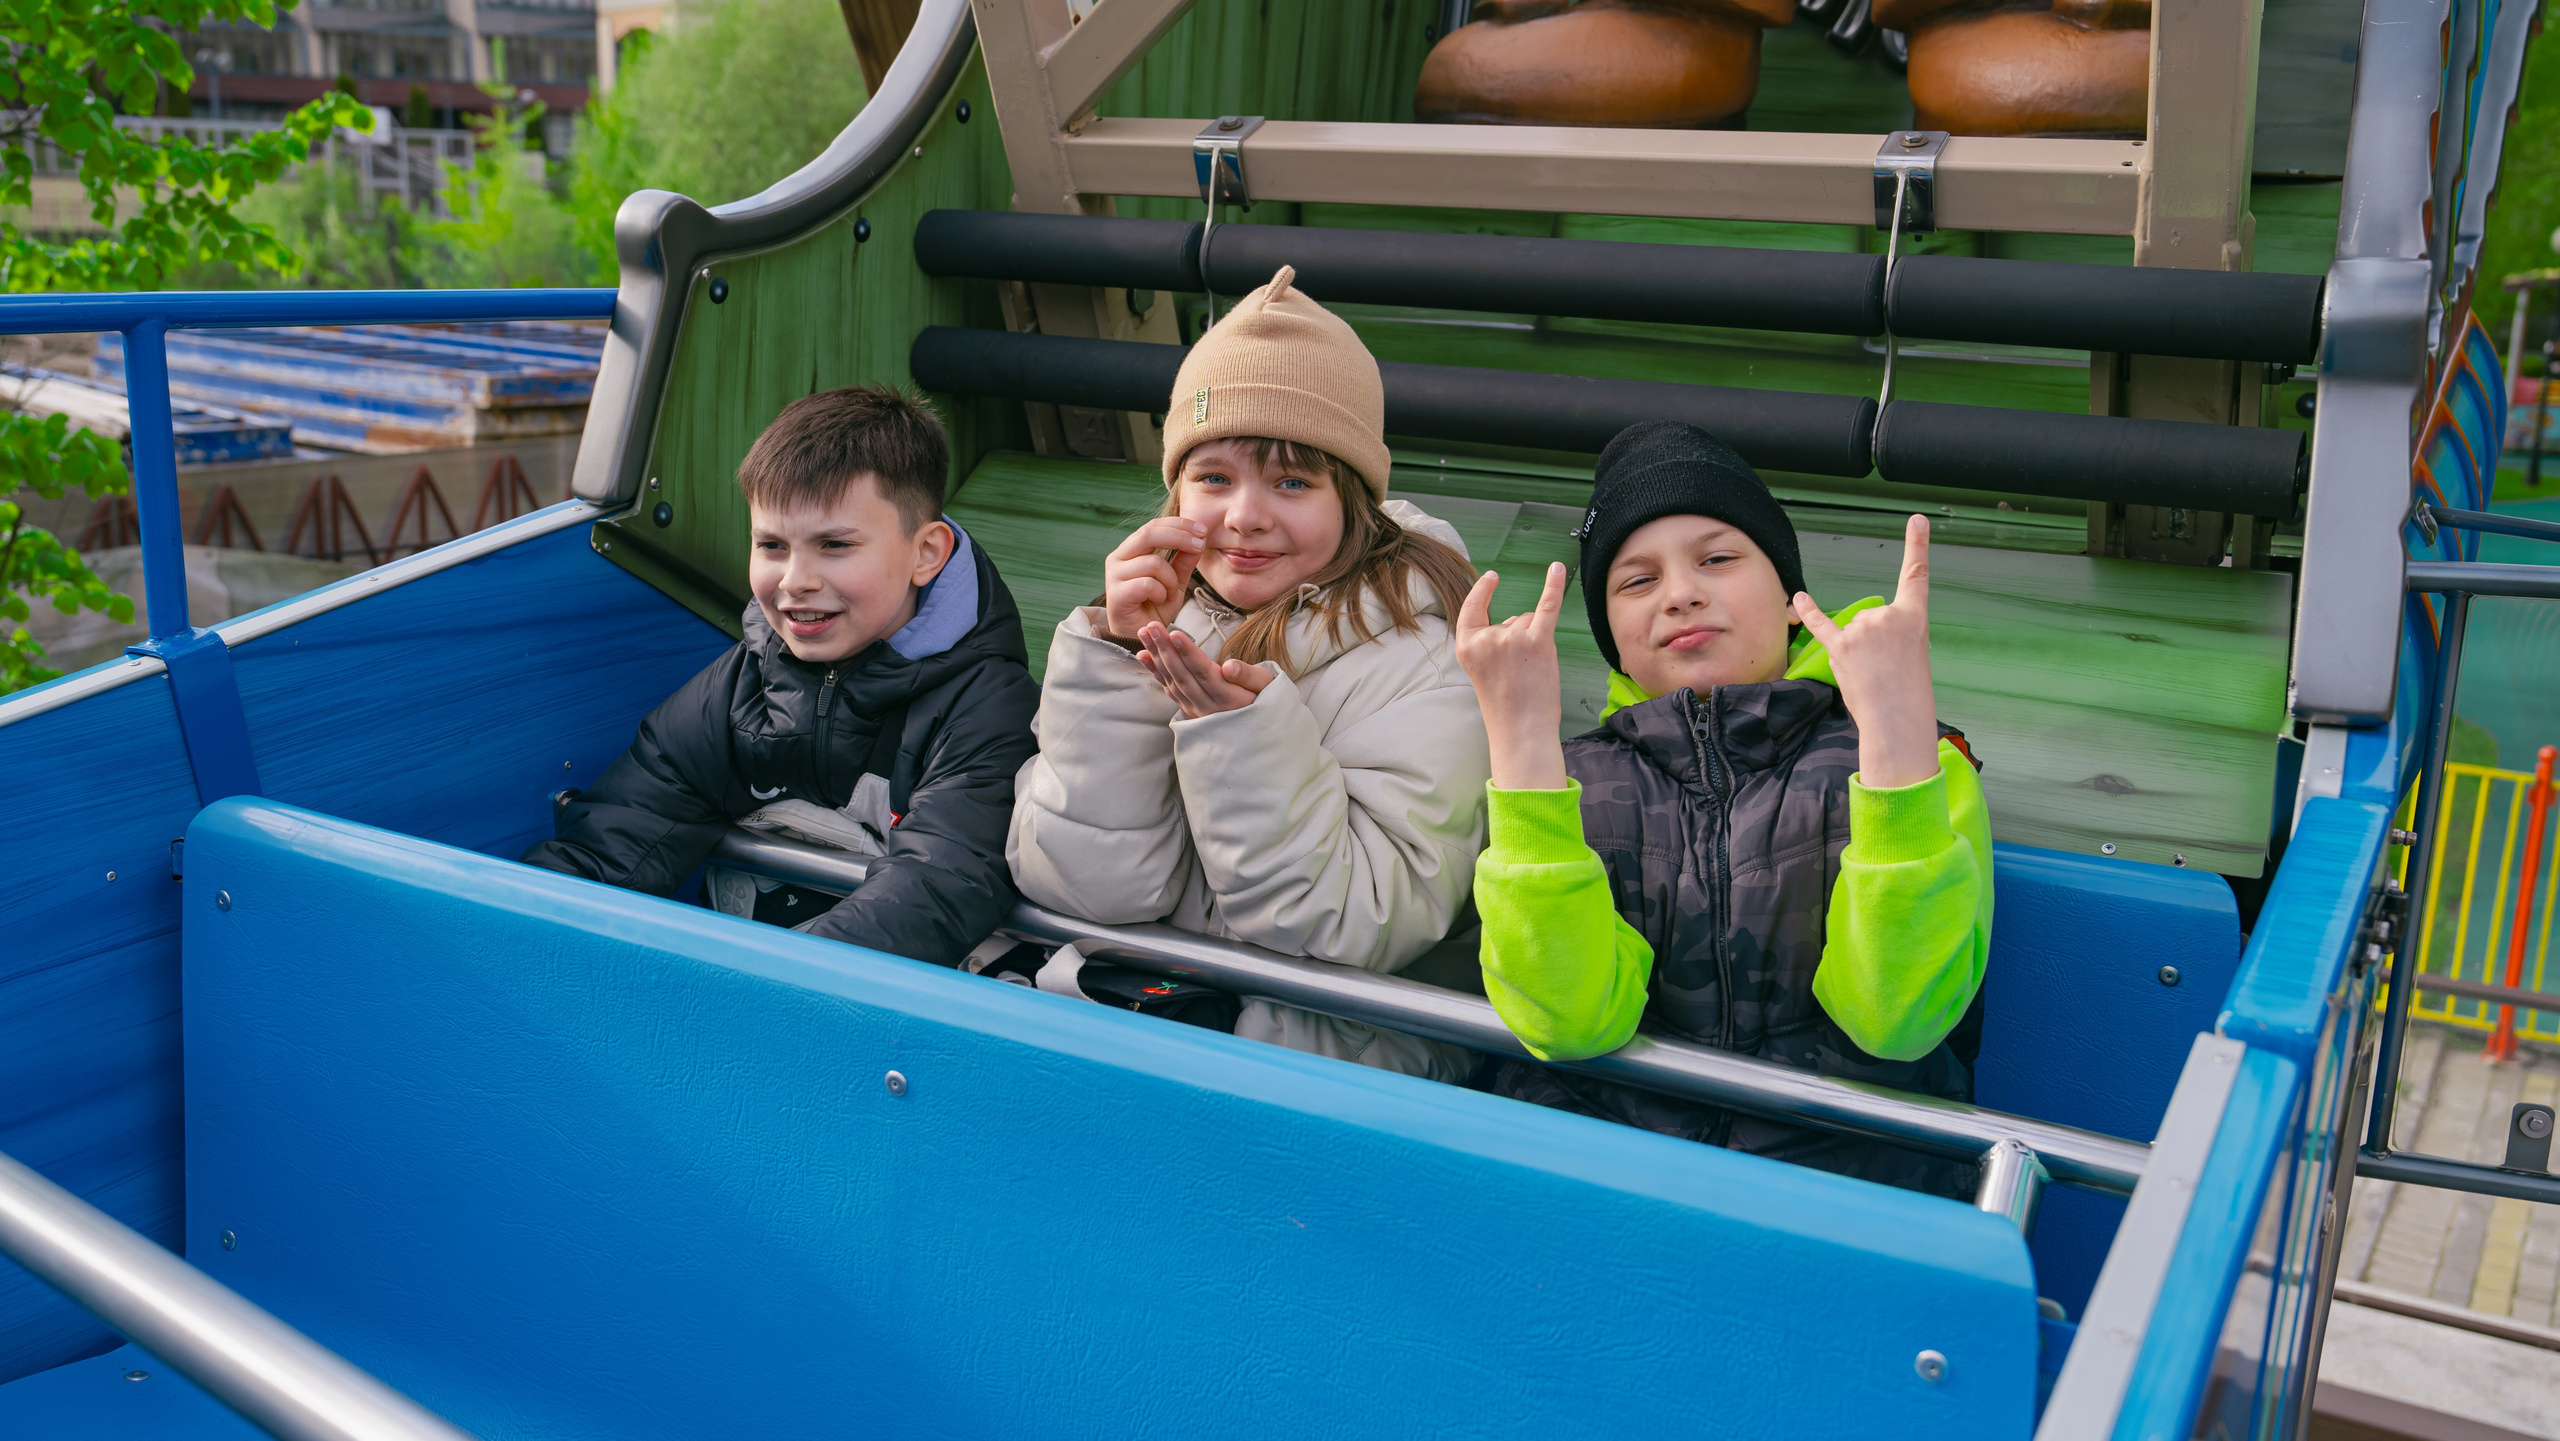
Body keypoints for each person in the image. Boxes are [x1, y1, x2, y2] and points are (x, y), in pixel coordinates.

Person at [1454, 421, 1991, 1194]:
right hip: (1608, 1192)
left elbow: (1896, 1020)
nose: (1680, 593)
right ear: (1612, 637)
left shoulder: (1914, 758)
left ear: (1788, 591)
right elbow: (1570, 1021)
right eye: (1636, 581)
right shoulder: (1570, 778)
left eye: (1717, 558)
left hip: (1847, 1195)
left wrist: (1898, 738)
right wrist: (1521, 744)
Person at [1008, 266, 1492, 1080]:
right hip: (1141, 1016)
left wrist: (1240, 739)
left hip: (1318, 1056)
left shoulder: (1425, 647)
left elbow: (1358, 919)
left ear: (1356, 499)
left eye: (1293, 480)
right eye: (1214, 477)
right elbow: (1080, 886)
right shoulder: (1159, 612)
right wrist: (1119, 667)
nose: (1245, 515)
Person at [524, 385, 1040, 968]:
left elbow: (939, 884)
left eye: (835, 545)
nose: (796, 579)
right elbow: (622, 834)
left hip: (884, 1003)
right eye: (771, 544)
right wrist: (524, 933)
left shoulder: (986, 708)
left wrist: (784, 985)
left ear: (927, 554)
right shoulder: (743, 683)